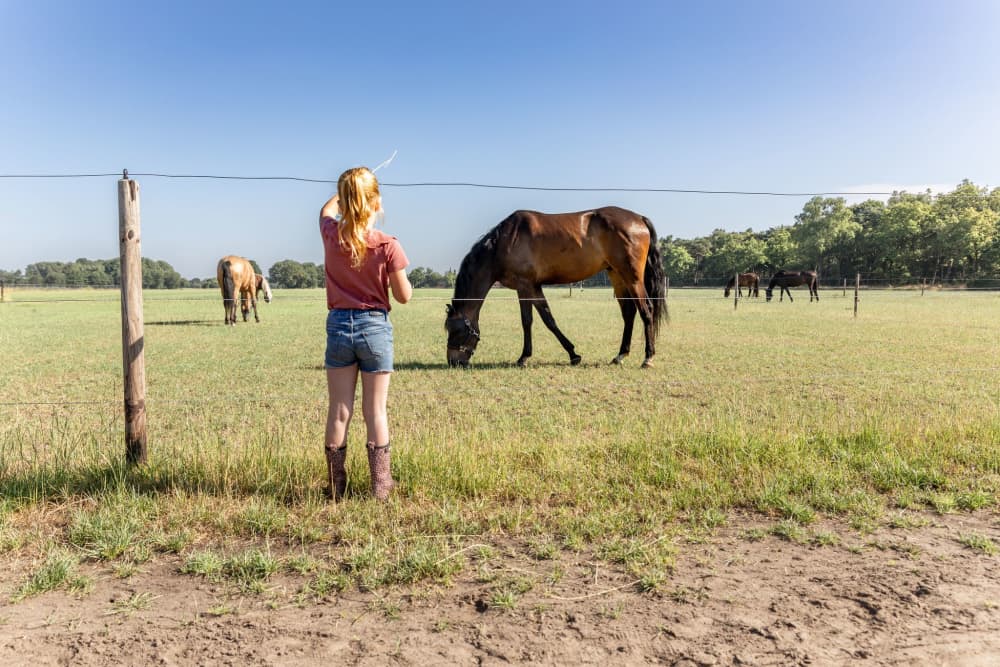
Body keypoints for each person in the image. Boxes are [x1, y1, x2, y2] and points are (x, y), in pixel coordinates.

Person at [319, 166, 412, 501]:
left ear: (345, 202)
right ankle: (381, 487)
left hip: (339, 326)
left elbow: (326, 211)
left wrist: (346, 195)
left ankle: (335, 488)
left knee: (339, 410)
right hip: (375, 328)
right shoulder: (388, 245)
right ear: (376, 202)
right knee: (375, 412)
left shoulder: (331, 234)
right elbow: (403, 296)